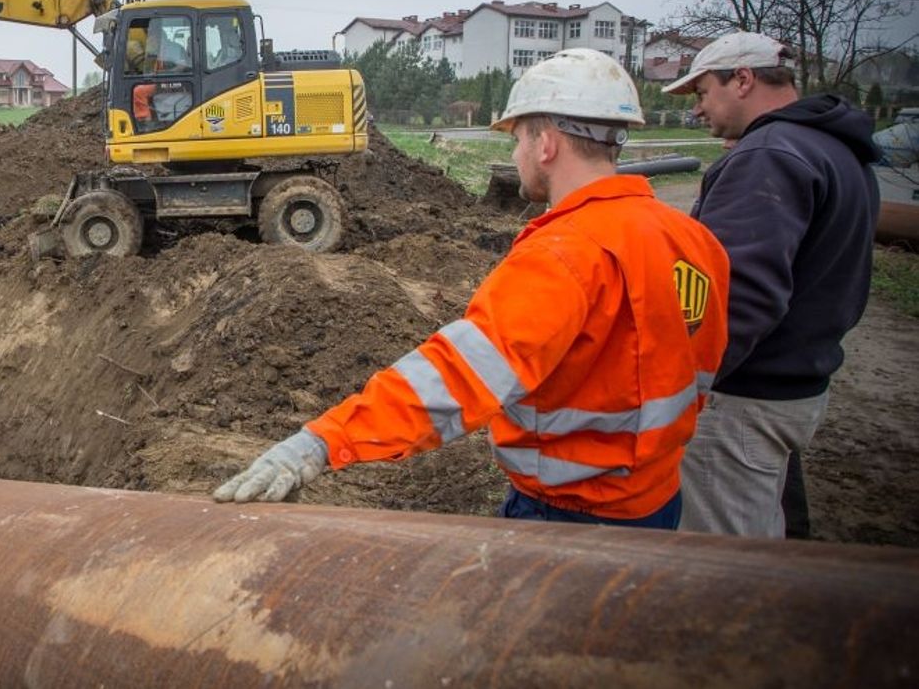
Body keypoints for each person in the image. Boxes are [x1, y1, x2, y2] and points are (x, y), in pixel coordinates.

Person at [213, 49, 730, 529]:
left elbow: (456, 377)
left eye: (518, 138)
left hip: (570, 517)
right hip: (658, 504)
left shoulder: (563, 254)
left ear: (545, 143)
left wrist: (323, 442)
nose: (518, 151)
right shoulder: (694, 241)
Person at [663, 31, 880, 538]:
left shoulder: (769, 156)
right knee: (770, 528)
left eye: (701, 93)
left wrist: (681, 389)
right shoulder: (835, 149)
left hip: (743, 397)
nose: (697, 111)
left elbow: (736, 296)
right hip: (793, 382)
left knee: (724, 565)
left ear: (742, 79)